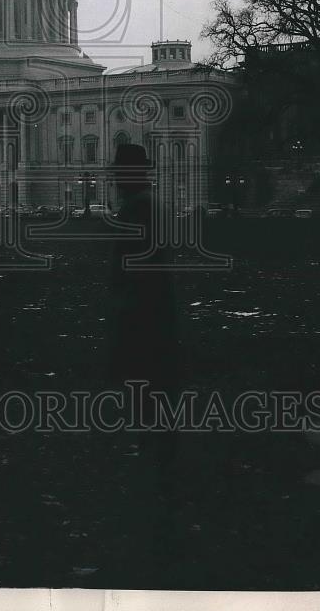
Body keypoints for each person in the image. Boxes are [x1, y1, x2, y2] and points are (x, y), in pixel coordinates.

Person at [106, 143, 180, 467]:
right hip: (156, 298)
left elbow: (132, 259)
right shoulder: (151, 204)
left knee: (140, 372)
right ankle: (156, 439)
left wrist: (124, 297)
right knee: (154, 373)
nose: (117, 180)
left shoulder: (138, 207)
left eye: (120, 174)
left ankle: (145, 440)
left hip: (143, 301)